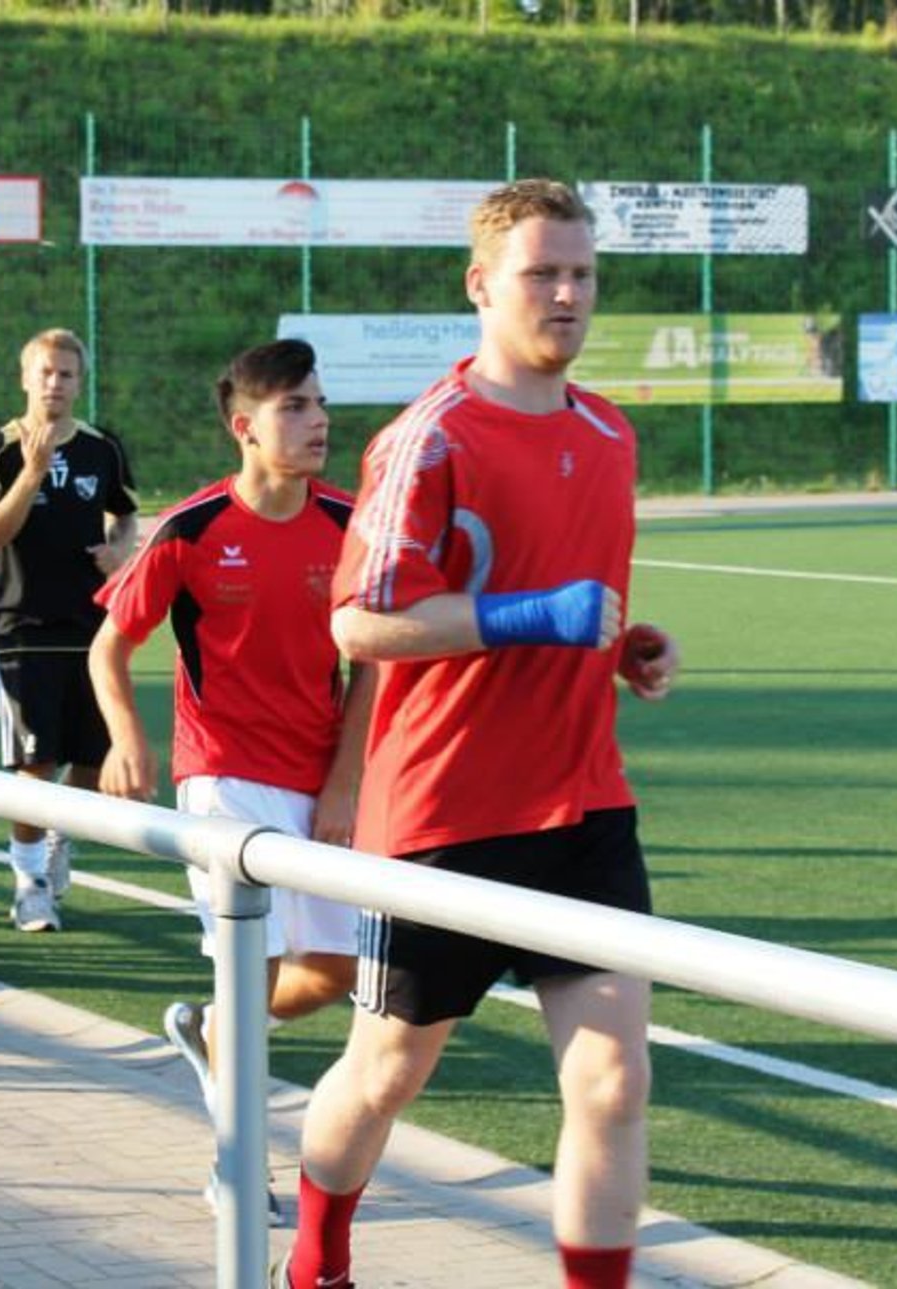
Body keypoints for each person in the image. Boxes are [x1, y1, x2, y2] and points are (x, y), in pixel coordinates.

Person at [276, 179, 681, 1289]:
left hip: (582, 804)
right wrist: (515, 619)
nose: (565, 294)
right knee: (386, 1070)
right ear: (479, 285)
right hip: (443, 817)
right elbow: (356, 617)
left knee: (610, 1082)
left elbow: (575, 600)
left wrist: (619, 646)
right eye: (540, 273)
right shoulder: (428, 436)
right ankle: (313, 1262)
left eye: (581, 273)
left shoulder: (608, 432)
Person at [89, 338, 371, 1225]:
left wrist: (347, 779)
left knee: (334, 970)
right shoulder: (192, 529)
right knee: (254, 972)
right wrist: (126, 739)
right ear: (246, 428)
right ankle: (239, 1170)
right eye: (295, 407)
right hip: (222, 779)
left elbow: (370, 664)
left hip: (319, 775)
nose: (318, 420)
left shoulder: (347, 522)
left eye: (320, 403)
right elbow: (111, 646)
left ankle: (213, 1032)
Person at [0, 328, 137, 933]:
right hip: (23, 629)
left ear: (79, 382)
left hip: (92, 629)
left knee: (93, 763)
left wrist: (120, 551)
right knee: (36, 768)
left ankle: (60, 839)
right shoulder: (0, 448)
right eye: (44, 373)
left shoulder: (101, 448)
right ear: (25, 378)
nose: (55, 384)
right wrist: (33, 473)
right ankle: (29, 882)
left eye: (66, 374)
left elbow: (125, 514)